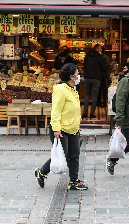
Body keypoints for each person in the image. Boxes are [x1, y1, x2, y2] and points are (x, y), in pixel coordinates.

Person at [33, 62, 88, 191]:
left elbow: (73, 110)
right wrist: (56, 129)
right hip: (61, 130)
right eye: (77, 74)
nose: (79, 76)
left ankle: (74, 181)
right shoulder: (61, 90)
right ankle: (41, 172)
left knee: (74, 155)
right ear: (71, 76)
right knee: (63, 154)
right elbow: (56, 111)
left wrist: (76, 124)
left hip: (72, 129)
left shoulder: (72, 89)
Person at [82, 43, 108, 119]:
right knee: (94, 96)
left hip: (87, 78)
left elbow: (84, 66)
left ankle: (85, 112)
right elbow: (103, 68)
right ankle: (92, 113)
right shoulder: (100, 57)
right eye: (100, 49)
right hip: (96, 78)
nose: (101, 50)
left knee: (87, 95)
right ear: (97, 49)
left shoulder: (87, 56)